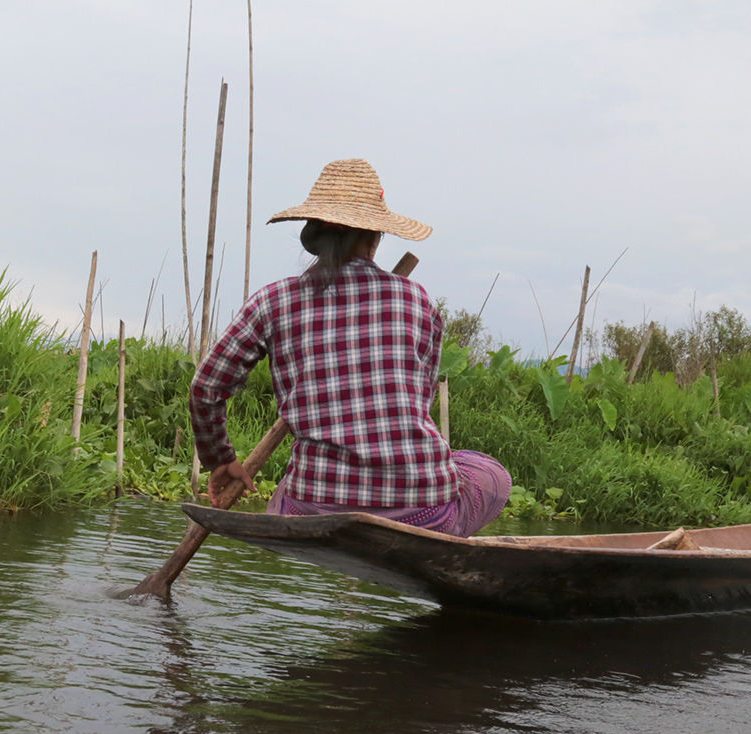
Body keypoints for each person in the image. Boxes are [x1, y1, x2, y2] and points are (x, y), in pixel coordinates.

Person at [188, 159, 510, 537]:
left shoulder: (272, 301)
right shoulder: (416, 300)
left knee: (286, 499)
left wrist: (220, 459)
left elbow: (205, 387)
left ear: (314, 237)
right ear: (375, 236)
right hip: (421, 509)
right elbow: (416, 402)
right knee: (490, 473)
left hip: (310, 508)